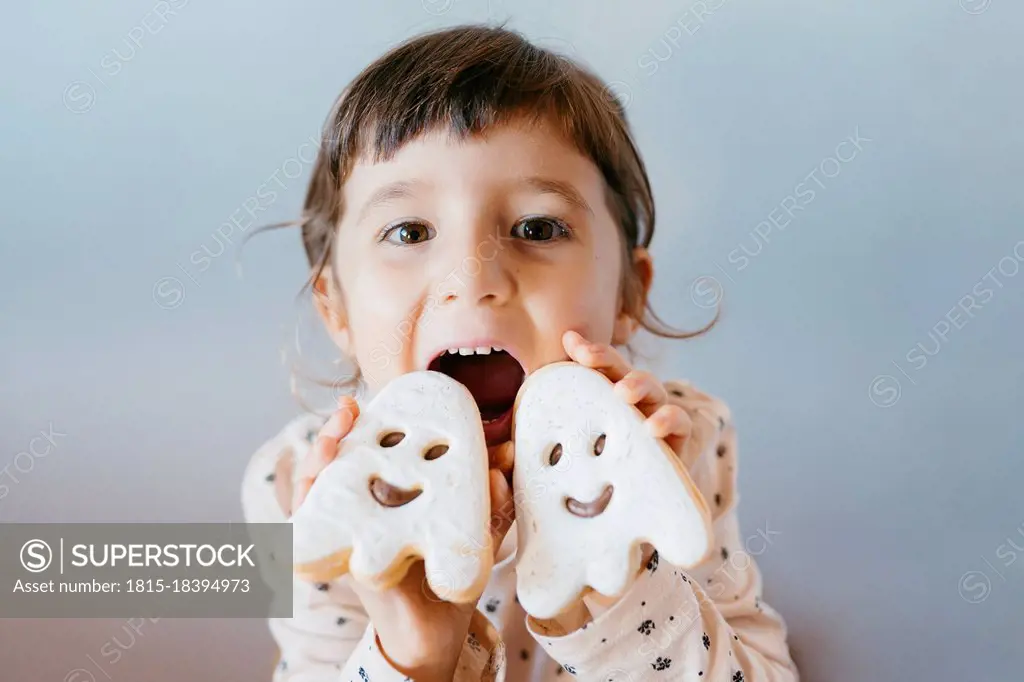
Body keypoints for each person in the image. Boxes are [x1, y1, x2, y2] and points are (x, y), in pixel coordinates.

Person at [241, 23, 798, 682]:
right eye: (410, 230)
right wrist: (414, 653)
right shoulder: (293, 487)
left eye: (536, 227)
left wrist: (622, 593)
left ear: (627, 294)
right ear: (336, 308)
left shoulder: (684, 449)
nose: (472, 277)